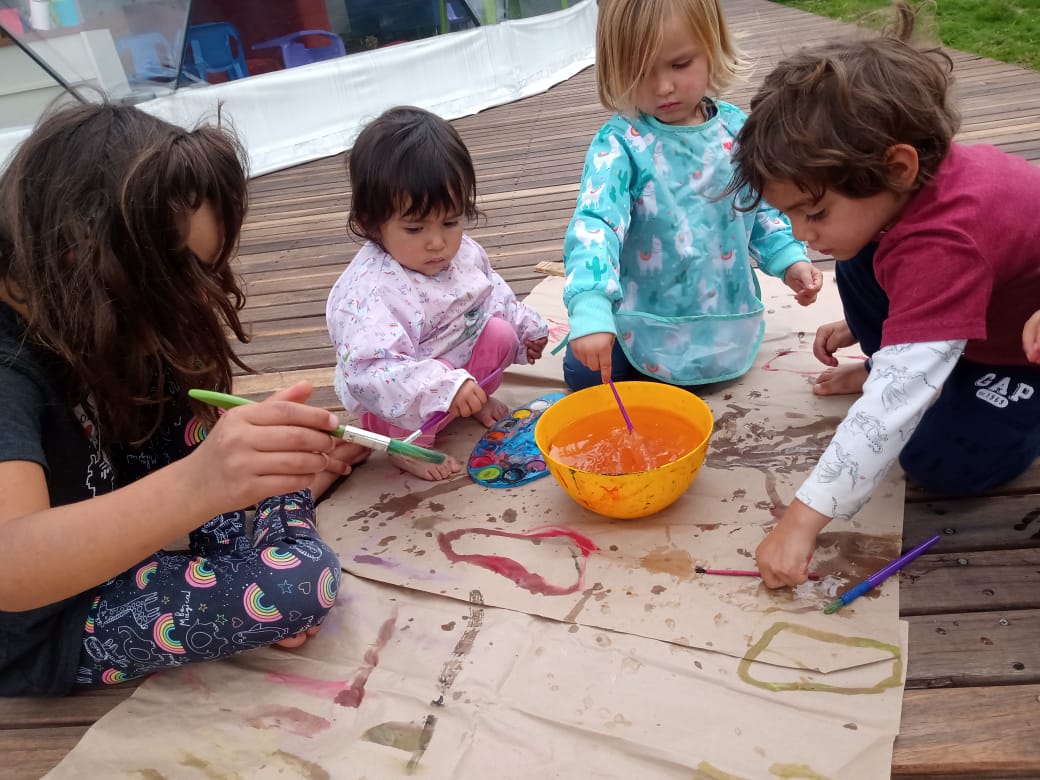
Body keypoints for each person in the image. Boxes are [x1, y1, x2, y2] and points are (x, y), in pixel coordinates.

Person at [0, 103, 370, 696]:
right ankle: (282, 504)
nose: (197, 300)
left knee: (198, 405)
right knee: (298, 585)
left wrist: (237, 456)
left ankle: (266, 498)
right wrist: (209, 483)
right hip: (47, 625)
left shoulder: (77, 306)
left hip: (118, 519)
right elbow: (11, 566)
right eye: (177, 278)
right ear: (79, 246)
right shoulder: (9, 368)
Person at [725, 2, 1040, 587]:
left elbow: (894, 407)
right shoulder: (901, 197)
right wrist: (886, 343)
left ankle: (991, 398)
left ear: (896, 166)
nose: (799, 234)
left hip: (1020, 350)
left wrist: (800, 521)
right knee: (857, 249)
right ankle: (901, 351)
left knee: (940, 461)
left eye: (813, 211)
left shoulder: (947, 238)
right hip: (976, 313)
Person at [561, 0, 822, 391]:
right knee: (584, 371)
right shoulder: (620, 143)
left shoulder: (739, 132)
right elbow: (595, 226)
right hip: (643, 319)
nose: (663, 87)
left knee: (696, 380)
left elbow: (763, 207)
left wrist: (788, 260)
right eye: (640, 71)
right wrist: (591, 307)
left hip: (721, 320)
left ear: (712, 48)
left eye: (680, 65)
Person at [326, 106, 549, 481]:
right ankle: (408, 446)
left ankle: (466, 403)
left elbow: (489, 293)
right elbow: (371, 372)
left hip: (452, 372)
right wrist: (444, 383)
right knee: (431, 378)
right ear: (371, 223)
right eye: (415, 228)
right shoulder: (372, 291)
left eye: (451, 221)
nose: (437, 243)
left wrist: (525, 326)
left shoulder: (460, 252)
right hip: (393, 399)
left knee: (500, 334)